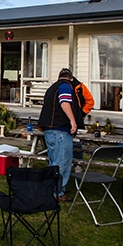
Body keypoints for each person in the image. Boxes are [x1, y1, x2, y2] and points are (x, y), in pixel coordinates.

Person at [37, 68, 81, 201]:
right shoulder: (65, 86)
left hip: (49, 130)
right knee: (62, 162)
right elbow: (65, 102)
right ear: (71, 79)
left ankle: (53, 187)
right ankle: (57, 192)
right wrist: (73, 121)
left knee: (54, 161)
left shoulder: (52, 88)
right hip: (60, 130)